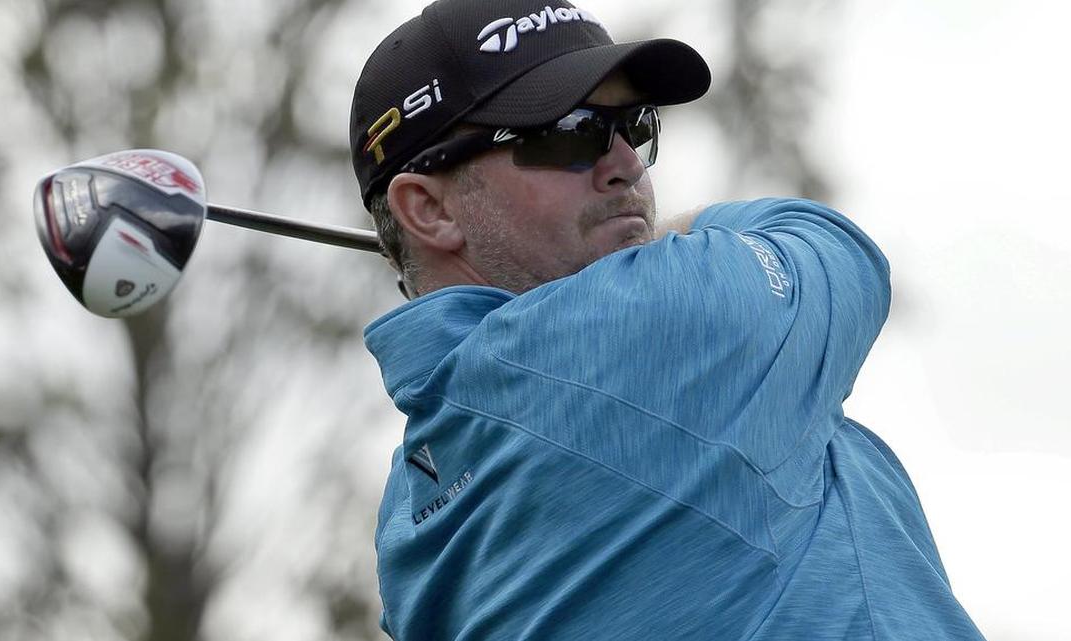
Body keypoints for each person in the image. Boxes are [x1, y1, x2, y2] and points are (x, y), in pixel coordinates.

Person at [349, 0, 987, 639]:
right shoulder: (657, 320)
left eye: (635, 126)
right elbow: (834, 247)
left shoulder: (408, 520)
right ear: (429, 209)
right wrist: (675, 232)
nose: (626, 164)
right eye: (570, 133)